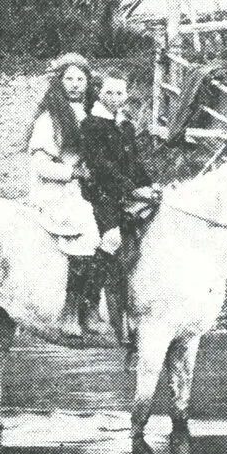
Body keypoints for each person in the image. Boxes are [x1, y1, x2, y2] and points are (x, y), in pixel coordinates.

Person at [80, 70, 161, 343]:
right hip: (102, 193)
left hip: (125, 193)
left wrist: (149, 184)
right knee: (112, 239)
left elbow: (134, 162)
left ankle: (139, 309)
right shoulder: (91, 124)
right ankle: (89, 303)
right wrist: (130, 187)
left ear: (126, 96)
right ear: (100, 94)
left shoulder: (125, 125)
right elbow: (100, 164)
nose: (115, 98)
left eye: (120, 93)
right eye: (109, 93)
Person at [27, 52, 101, 337]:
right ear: (59, 82)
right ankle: (71, 311)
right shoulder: (50, 118)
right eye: (68, 79)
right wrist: (73, 173)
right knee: (89, 228)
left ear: (88, 82)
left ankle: (96, 304)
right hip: (58, 190)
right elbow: (41, 165)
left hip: (88, 188)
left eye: (80, 79)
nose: (74, 84)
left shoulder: (95, 112)